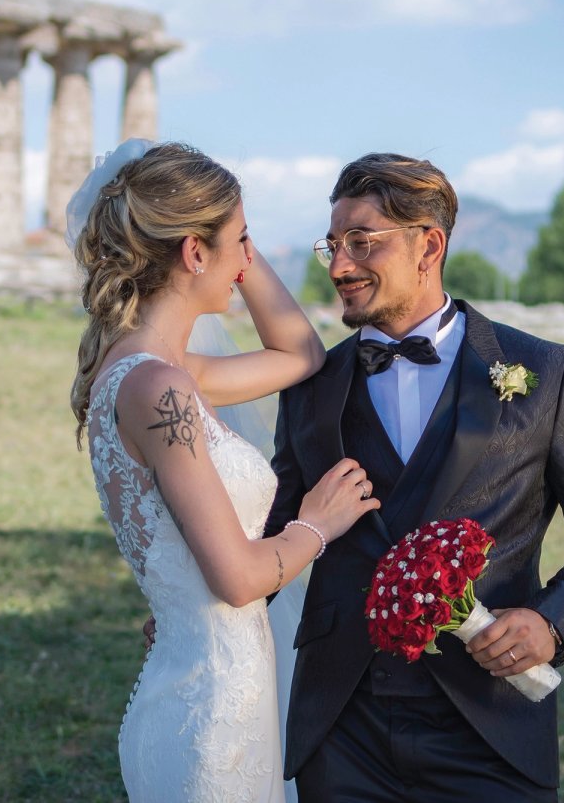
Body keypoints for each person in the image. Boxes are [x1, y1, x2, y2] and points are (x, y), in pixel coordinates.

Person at [266, 152, 564, 802]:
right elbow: (272, 528)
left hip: (491, 725)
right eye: (332, 245)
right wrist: (200, 606)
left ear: (429, 245)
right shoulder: (310, 387)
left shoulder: (544, 373)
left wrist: (552, 623)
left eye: (361, 242)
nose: (338, 267)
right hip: (342, 728)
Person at [69, 140, 381, 803]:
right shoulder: (163, 389)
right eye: (242, 241)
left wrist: (226, 238)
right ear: (192, 252)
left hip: (197, 687)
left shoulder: (151, 374)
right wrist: (316, 526)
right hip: (213, 718)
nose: (248, 260)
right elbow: (238, 577)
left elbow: (301, 353)